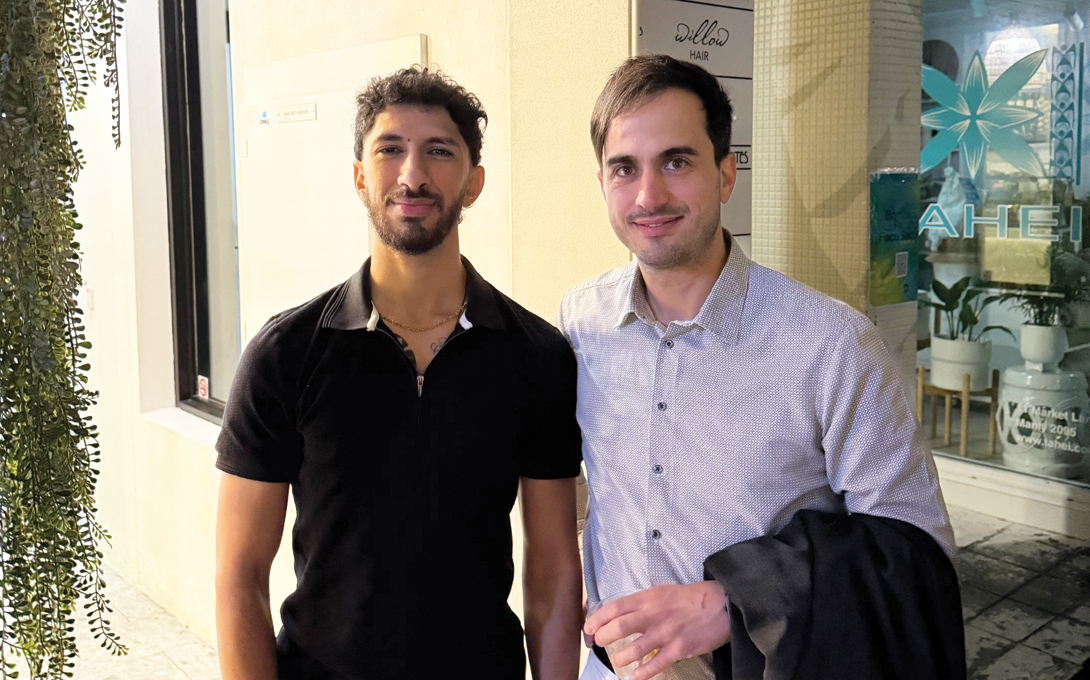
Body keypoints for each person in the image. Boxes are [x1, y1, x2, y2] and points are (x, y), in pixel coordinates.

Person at [558, 54, 956, 680]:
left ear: (726, 174)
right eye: (624, 168)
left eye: (677, 161)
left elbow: (915, 547)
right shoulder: (582, 321)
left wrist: (735, 600)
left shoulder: (832, 344)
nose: (648, 195)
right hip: (610, 668)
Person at [214, 66, 583, 680]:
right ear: (360, 177)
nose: (412, 175)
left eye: (439, 151)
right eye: (390, 150)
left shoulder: (536, 355)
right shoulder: (285, 355)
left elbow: (552, 573)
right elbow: (239, 576)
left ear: (474, 183)